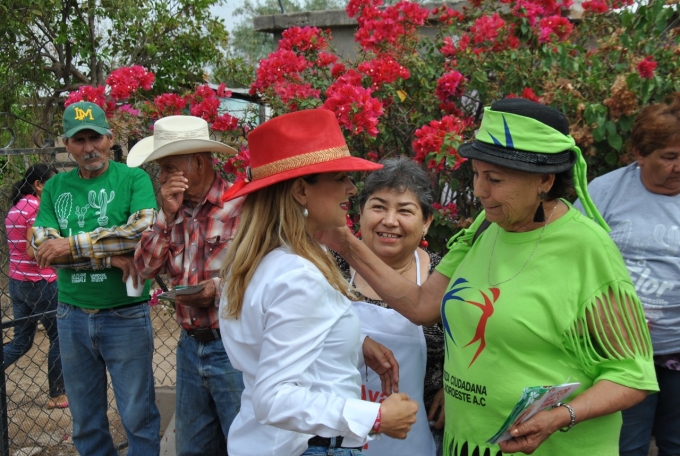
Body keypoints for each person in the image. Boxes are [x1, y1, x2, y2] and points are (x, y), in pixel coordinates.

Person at [317, 98, 659, 456]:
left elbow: (631, 376)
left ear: (544, 180)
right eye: (477, 174)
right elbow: (421, 305)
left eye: (494, 179)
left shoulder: (587, 250)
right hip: (468, 445)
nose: (480, 191)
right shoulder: (485, 226)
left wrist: (560, 416)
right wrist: (344, 242)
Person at [217, 109, 419, 456]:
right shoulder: (298, 275)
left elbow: (274, 343)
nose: (351, 188)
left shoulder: (257, 262)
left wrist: (354, 341)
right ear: (300, 190)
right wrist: (376, 417)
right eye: (340, 178)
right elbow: (274, 397)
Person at [32, 101, 161, 456]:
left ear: (110, 137)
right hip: (71, 314)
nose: (89, 148)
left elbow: (141, 232)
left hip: (126, 314)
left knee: (137, 417)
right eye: (79, 140)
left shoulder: (133, 178)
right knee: (86, 422)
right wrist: (109, 254)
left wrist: (72, 245)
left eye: (95, 138)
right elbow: (42, 246)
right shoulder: (56, 187)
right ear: (67, 144)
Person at [130, 115, 245, 456]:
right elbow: (144, 268)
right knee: (193, 448)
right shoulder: (172, 211)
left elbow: (264, 274)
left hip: (234, 346)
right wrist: (164, 219)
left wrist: (218, 290)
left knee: (244, 444)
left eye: (168, 168)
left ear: (197, 162)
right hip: (190, 346)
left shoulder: (242, 205)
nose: (161, 177)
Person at [574, 94, 680, 456]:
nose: (679, 167)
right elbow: (570, 259)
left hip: (677, 349)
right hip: (619, 350)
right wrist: (603, 317)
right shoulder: (605, 192)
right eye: (669, 157)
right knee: (626, 446)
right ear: (639, 154)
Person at [333, 157, 444, 456]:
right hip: (333, 434)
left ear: (426, 222)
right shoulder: (328, 267)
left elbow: (470, 342)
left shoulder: (441, 276)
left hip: (418, 436)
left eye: (405, 210)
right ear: (360, 213)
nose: (390, 221)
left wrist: (452, 387)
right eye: (379, 207)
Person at [4, 164, 67, 410]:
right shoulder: (35, 207)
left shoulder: (16, 207)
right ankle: (57, 395)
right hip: (40, 282)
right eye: (51, 183)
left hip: (17, 281)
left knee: (21, 341)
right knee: (59, 336)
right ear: (38, 185)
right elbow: (33, 250)